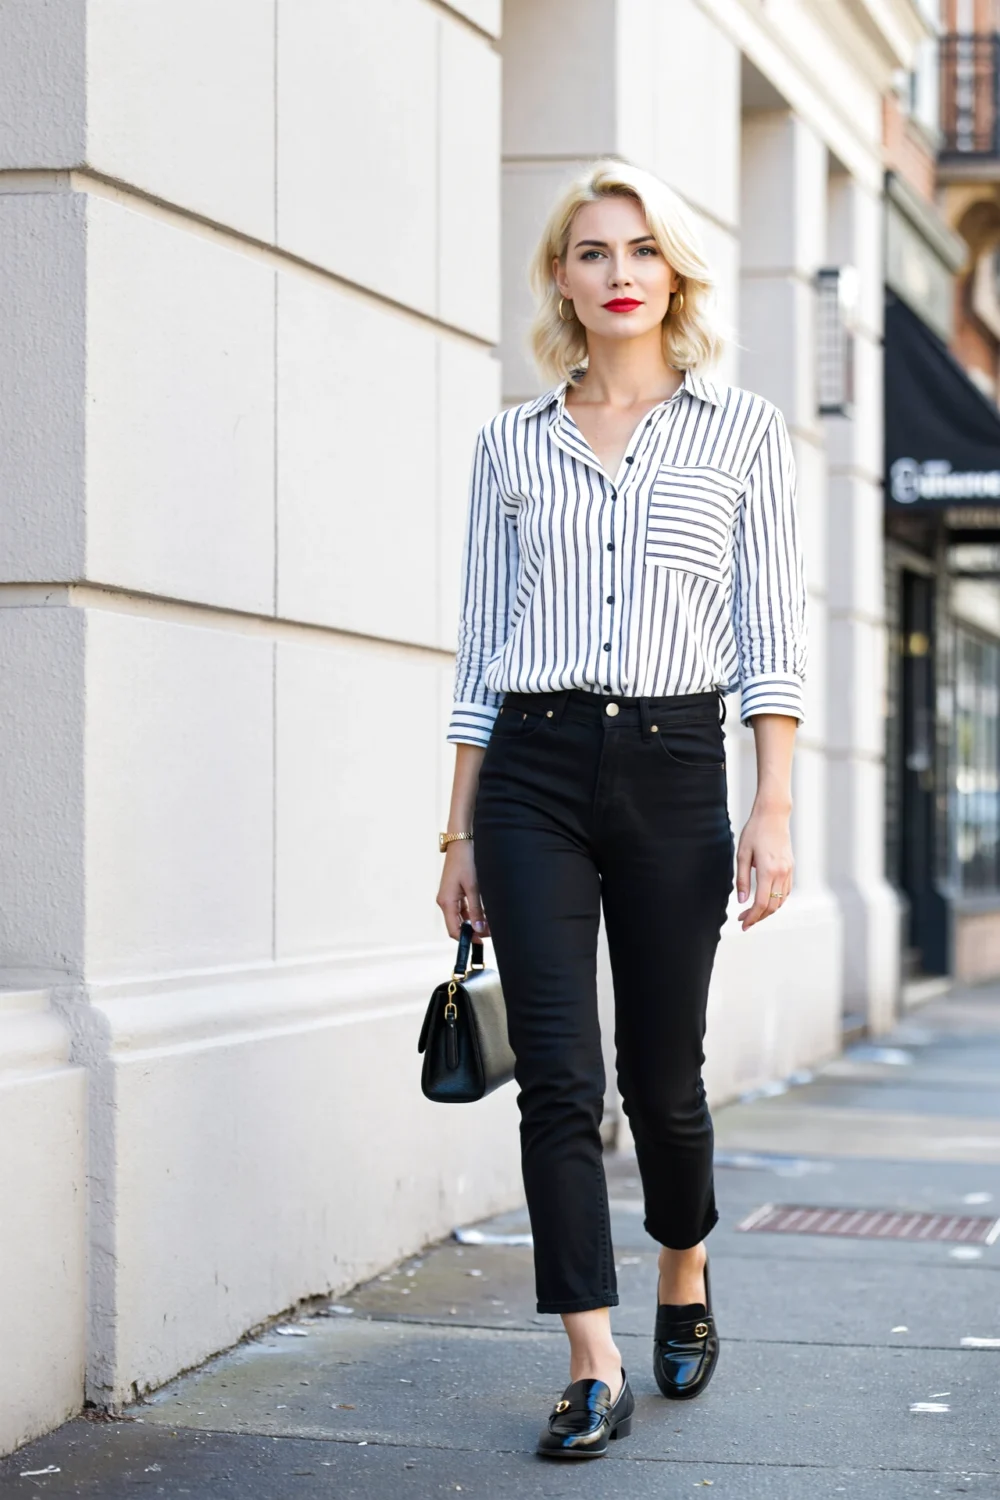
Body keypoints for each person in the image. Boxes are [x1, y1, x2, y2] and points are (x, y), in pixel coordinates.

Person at [436, 157, 806, 1459]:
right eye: (592, 252)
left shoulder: (743, 434)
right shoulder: (510, 444)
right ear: (561, 280)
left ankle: (685, 1266)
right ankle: (592, 1362)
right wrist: (459, 830)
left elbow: (770, 636)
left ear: (675, 274)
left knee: (663, 1078)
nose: (619, 273)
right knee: (556, 1077)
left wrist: (773, 808)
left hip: (672, 765)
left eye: (641, 250)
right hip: (533, 768)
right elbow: (481, 649)